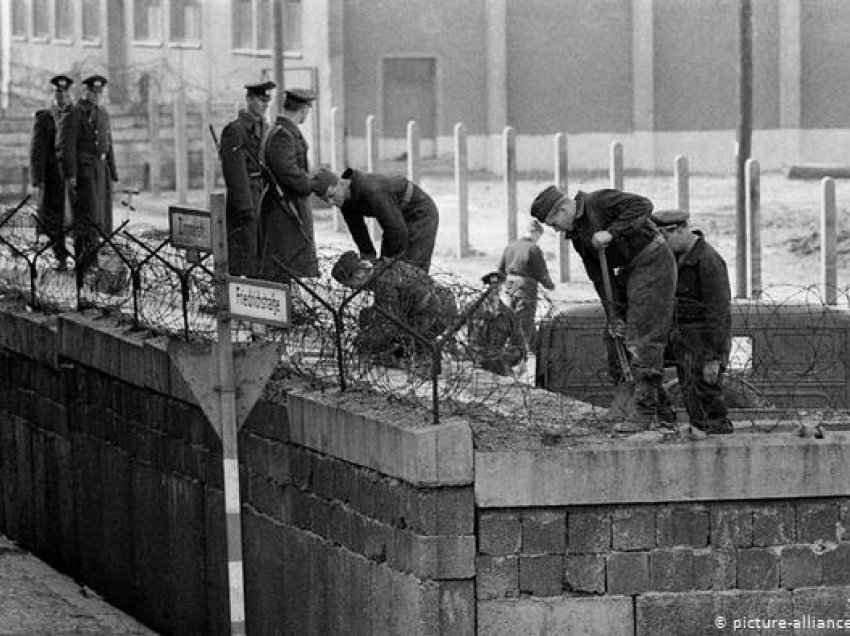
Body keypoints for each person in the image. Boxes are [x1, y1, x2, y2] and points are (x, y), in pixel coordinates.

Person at [530, 185, 677, 428]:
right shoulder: (579, 238)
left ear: (565, 208)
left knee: (642, 335)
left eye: (554, 223)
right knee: (614, 336)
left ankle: (644, 411)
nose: (556, 230)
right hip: (629, 270)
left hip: (653, 261)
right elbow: (600, 278)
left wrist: (611, 232)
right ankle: (661, 411)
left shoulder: (599, 201)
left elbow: (643, 205)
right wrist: (614, 316)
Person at [652, 209, 733, 435]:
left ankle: (717, 449)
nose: (663, 244)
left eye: (664, 237)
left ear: (678, 230)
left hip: (703, 344)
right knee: (692, 398)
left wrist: (714, 358)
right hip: (684, 341)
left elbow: (719, 313)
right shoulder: (679, 258)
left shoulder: (708, 261)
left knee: (707, 404)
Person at [331, 250, 456, 366]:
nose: (351, 289)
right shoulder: (380, 267)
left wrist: (359, 344)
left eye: (349, 284)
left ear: (358, 274)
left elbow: (388, 324)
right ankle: (419, 347)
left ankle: (424, 350)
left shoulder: (384, 281)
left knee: (383, 330)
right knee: (368, 316)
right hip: (439, 305)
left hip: (438, 313)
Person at [311, 167, 439, 272]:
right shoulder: (344, 200)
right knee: (387, 272)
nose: (331, 202)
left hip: (419, 213)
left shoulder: (372, 190)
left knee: (412, 270)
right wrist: (369, 260)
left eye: (331, 195)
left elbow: (397, 231)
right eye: (326, 200)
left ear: (340, 182)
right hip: (397, 216)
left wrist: (385, 263)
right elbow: (358, 231)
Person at [57, 74, 118, 275]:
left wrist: (113, 173)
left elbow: (108, 144)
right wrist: (72, 175)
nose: (96, 96)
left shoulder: (103, 113)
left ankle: (96, 264)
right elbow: (67, 146)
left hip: (101, 172)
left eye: (99, 93)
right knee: (86, 218)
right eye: (92, 92)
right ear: (85, 91)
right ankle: (83, 264)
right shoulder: (74, 112)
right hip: (84, 172)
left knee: (101, 218)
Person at [259, 88, 319, 281]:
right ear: (303, 110)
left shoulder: (282, 131)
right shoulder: (282, 135)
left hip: (287, 207)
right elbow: (289, 174)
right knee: (283, 265)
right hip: (285, 210)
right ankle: (283, 308)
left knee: (286, 266)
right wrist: (312, 184)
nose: (306, 115)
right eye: (307, 111)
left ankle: (287, 305)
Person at [219, 80, 274, 276]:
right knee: (245, 253)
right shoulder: (234, 131)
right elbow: (235, 173)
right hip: (247, 200)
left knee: (262, 252)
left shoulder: (266, 128)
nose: (265, 105)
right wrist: (246, 208)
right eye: (260, 100)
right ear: (249, 99)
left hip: (263, 196)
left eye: (267, 101)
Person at [30, 74, 74, 270]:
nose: (62, 96)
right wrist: (38, 178)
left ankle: (80, 256)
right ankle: (60, 256)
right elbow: (37, 150)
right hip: (53, 175)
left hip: (73, 174)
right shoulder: (45, 117)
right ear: (53, 94)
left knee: (74, 216)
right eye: (58, 92)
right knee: (54, 218)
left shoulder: (75, 114)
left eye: (65, 92)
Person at [497, 218, 555, 349]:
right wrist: (550, 285)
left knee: (508, 320)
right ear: (536, 234)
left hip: (508, 289)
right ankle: (522, 352)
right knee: (524, 323)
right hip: (525, 291)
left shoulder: (510, 246)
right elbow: (542, 273)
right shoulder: (533, 249)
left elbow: (500, 270)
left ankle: (506, 348)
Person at [468, 272, 527, 376]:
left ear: (500, 289)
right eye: (490, 288)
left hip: (499, 365)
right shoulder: (474, 312)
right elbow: (462, 338)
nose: (493, 292)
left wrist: (513, 358)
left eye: (497, 288)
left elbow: (520, 344)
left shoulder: (508, 315)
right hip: (476, 364)